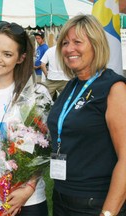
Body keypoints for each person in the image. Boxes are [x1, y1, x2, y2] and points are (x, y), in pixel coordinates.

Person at [47, 14, 126, 216]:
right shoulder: (72, 86)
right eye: (64, 42)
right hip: (61, 198)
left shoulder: (113, 88)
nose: (68, 48)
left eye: (77, 42)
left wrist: (108, 213)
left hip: (95, 203)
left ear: (96, 44)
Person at [0, 21, 50, 216]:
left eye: (7, 54)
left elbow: (45, 149)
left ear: (21, 58)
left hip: (28, 200)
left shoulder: (37, 95)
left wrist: (28, 188)